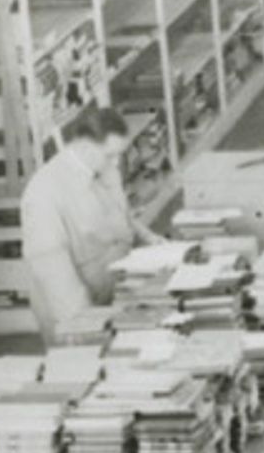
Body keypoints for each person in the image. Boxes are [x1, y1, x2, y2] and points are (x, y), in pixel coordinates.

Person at [19, 107, 162, 343]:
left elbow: (121, 213)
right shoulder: (43, 193)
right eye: (110, 155)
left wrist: (149, 239)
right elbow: (54, 272)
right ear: (83, 147)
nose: (116, 163)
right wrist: (90, 328)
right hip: (74, 308)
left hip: (113, 292)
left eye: (119, 155)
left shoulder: (103, 166)